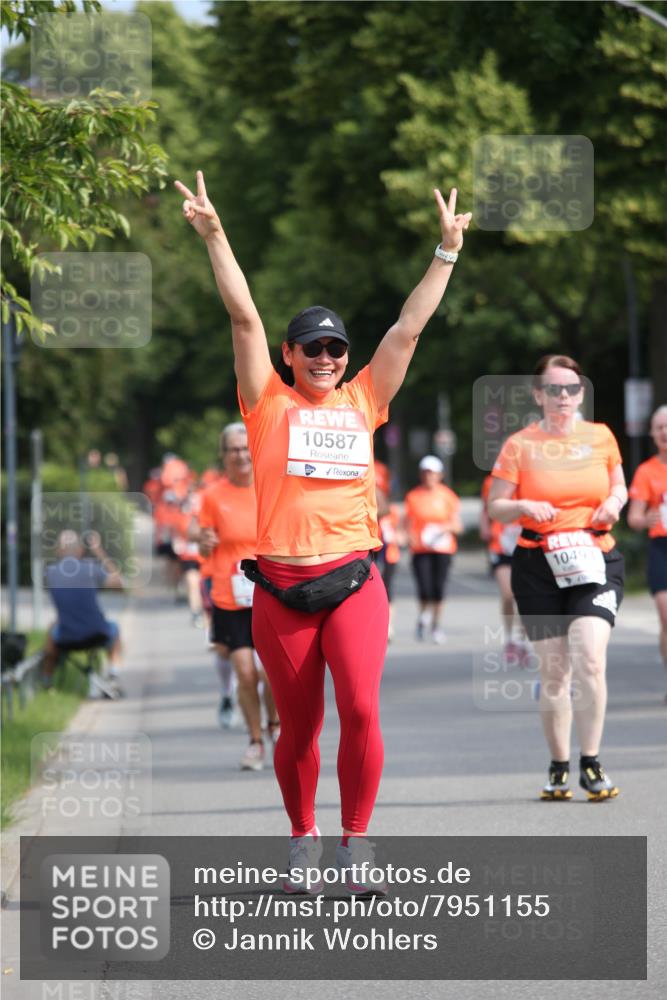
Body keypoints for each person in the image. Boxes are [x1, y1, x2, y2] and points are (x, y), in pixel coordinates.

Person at [176, 168, 470, 891]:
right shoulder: (266, 404)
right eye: (312, 348)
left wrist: (446, 253)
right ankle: (302, 840)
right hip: (279, 587)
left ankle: (355, 842)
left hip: (352, 579)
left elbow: (407, 328)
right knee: (299, 728)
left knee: (363, 708)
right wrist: (216, 236)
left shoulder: (363, 399)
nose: (326, 358)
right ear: (289, 356)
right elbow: (243, 317)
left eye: (335, 349)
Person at [488, 355, 627, 802]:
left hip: (595, 559)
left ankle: (591, 760)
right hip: (538, 566)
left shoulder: (601, 436)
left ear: (581, 393)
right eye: (553, 389)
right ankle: (558, 764)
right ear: (538, 395)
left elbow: (619, 486)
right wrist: (524, 507)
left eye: (570, 389)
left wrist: (615, 504)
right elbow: (495, 505)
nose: (562, 397)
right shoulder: (520, 444)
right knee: (555, 672)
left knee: (590, 659)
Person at [198, 422, 280, 771]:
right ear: (223, 455)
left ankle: (275, 724)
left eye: (246, 447)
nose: (241, 454)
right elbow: (203, 537)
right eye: (233, 449)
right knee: (245, 672)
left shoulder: (272, 486)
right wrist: (203, 542)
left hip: (270, 592)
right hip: (230, 596)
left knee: (271, 675)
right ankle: (255, 741)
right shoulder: (213, 496)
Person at [43, 529, 124, 697]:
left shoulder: (50, 573)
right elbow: (119, 584)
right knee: (115, 628)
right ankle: (113, 675)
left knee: (52, 630)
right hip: (97, 632)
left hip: (66, 636)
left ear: (58, 551)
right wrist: (99, 551)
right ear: (80, 550)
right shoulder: (92, 568)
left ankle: (46, 681)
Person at [628, 405, 667, 696]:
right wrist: (646, 519)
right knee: (666, 614)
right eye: (659, 427)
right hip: (661, 548)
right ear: (653, 434)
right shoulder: (646, 471)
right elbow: (633, 518)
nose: (665, 432)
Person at [404, 455, 463, 644]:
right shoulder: (413, 496)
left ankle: (436, 626)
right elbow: (407, 524)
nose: (429, 476)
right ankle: (422, 618)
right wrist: (409, 536)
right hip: (421, 550)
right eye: (426, 473)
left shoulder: (448, 496)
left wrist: (445, 528)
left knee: (438, 589)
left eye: (433, 473)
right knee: (424, 588)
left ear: (440, 475)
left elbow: (458, 525)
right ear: (421, 474)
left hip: (443, 549)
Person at [480, 474, 528, 666]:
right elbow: (485, 508)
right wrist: (485, 527)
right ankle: (509, 639)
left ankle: (521, 641)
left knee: (524, 597)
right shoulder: (492, 481)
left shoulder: (530, 476)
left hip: (525, 543)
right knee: (508, 594)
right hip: (501, 545)